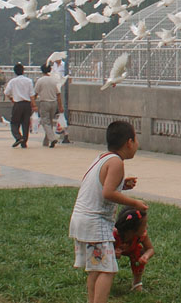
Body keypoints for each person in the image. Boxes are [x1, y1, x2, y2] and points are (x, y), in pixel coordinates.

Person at [69, 120, 147, 303]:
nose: (137, 145)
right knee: (107, 269)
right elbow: (108, 193)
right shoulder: (116, 162)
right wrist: (135, 202)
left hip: (82, 219)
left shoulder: (102, 157)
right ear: (129, 142)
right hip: (95, 222)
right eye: (136, 140)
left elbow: (102, 185)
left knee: (96, 268)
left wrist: (122, 185)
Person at [113, 208, 154, 293]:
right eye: (144, 225)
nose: (147, 227)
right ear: (132, 229)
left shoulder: (142, 235)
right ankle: (106, 277)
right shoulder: (114, 235)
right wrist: (113, 253)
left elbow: (150, 249)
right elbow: (103, 249)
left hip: (132, 250)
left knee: (139, 253)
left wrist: (145, 256)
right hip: (113, 249)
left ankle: (137, 283)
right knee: (107, 258)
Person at [34, 62, 64, 148]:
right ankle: (46, 142)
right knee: (49, 122)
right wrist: (60, 106)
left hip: (44, 102)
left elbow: (35, 93)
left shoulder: (40, 80)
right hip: (54, 103)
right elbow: (58, 94)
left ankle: (52, 138)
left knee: (45, 122)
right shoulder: (54, 80)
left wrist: (33, 103)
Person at [4, 62, 34, 148]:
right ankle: (24, 141)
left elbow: (6, 92)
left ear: (15, 72)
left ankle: (18, 137)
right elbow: (32, 94)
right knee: (25, 124)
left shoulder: (13, 81)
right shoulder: (29, 81)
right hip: (27, 104)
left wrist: (11, 98)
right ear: (23, 71)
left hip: (17, 104)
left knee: (14, 123)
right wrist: (34, 105)